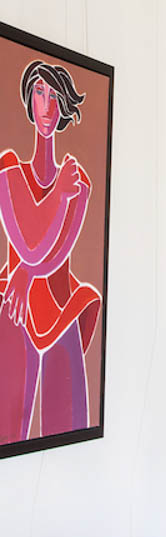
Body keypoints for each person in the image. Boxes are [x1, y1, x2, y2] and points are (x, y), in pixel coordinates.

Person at [0, 59, 100, 443]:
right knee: (7, 429)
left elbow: (59, 252)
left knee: (72, 428)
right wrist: (58, 198)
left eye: (55, 96)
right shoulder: (10, 170)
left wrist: (27, 272)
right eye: (40, 93)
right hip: (16, 305)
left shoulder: (78, 181)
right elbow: (25, 242)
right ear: (29, 100)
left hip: (61, 308)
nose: (47, 105)